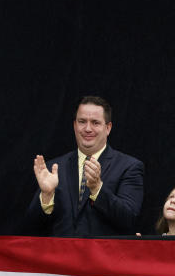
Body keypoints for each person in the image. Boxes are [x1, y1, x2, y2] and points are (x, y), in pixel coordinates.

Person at [26, 96, 144, 236]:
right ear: (75, 125)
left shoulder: (129, 167)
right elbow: (32, 225)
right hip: (61, 255)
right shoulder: (54, 167)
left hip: (103, 256)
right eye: (82, 122)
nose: (88, 128)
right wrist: (47, 196)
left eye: (95, 123)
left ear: (108, 128)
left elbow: (129, 219)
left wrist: (97, 189)